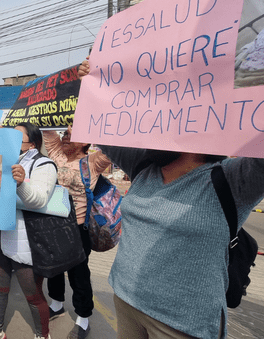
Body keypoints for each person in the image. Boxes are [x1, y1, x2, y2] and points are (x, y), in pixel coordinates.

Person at [77, 59, 264, 339]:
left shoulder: (234, 181)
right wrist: (93, 82)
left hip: (183, 325)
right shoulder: (143, 165)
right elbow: (101, 125)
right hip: (126, 302)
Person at [0, 122, 56, 339]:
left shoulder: (44, 164)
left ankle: (42, 334)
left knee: (33, 295)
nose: (9, 138)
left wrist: (21, 183)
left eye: (16, 136)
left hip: (25, 243)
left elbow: (39, 200)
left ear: (32, 142)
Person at [42, 125, 111, 339]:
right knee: (53, 268)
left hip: (78, 229)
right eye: (65, 133)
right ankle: (56, 304)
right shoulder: (55, 153)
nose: (65, 137)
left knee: (78, 275)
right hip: (53, 225)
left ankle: (83, 318)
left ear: (85, 142)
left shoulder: (93, 162)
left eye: (72, 135)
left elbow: (113, 147)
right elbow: (47, 127)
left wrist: (90, 125)